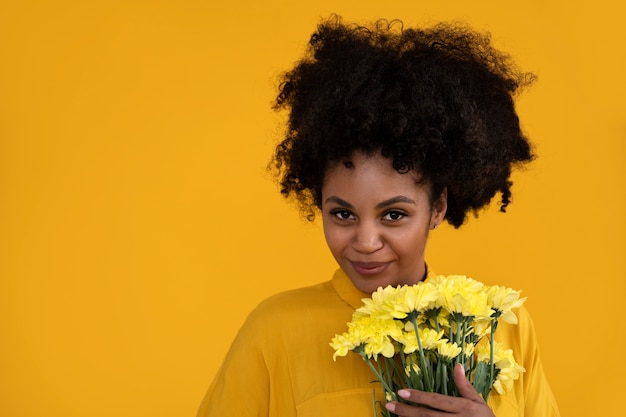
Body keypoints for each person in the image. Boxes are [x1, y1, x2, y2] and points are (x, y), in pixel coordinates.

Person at [197, 16, 560, 417]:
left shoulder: (501, 327)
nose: (366, 242)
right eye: (342, 213)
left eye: (393, 215)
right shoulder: (273, 332)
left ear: (437, 207)